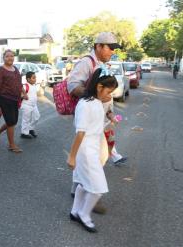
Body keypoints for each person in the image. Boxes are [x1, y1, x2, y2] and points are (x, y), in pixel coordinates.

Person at [68, 32, 127, 213]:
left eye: (114, 49)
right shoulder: (87, 62)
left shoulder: (102, 64)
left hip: (99, 118)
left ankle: (79, 189)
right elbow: (73, 85)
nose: (112, 52)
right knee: (98, 157)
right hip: (89, 119)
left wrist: (109, 112)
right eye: (110, 48)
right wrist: (92, 95)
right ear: (99, 46)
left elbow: (105, 92)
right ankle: (91, 192)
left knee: (92, 156)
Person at [67, 67, 118, 233]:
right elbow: (80, 132)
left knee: (84, 182)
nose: (110, 95)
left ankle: (75, 211)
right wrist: (72, 157)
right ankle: (84, 214)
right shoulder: (85, 104)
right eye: (109, 91)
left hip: (93, 147)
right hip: (85, 149)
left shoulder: (97, 102)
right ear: (99, 87)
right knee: (98, 188)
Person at [0, 50, 28, 153]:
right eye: (7, 56)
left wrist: (24, 93)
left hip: (15, 99)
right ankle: (12, 145)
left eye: (12, 56)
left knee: (13, 121)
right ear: (4, 58)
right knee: (11, 122)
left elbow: (19, 83)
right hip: (4, 99)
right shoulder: (0, 70)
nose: (10, 58)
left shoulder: (15, 69)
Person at [20, 71, 40, 139]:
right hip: (26, 105)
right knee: (26, 120)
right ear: (28, 79)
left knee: (37, 117)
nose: (35, 79)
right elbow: (19, 93)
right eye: (33, 78)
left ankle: (30, 129)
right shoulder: (25, 86)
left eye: (35, 77)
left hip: (34, 105)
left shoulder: (34, 85)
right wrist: (23, 96)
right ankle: (24, 133)